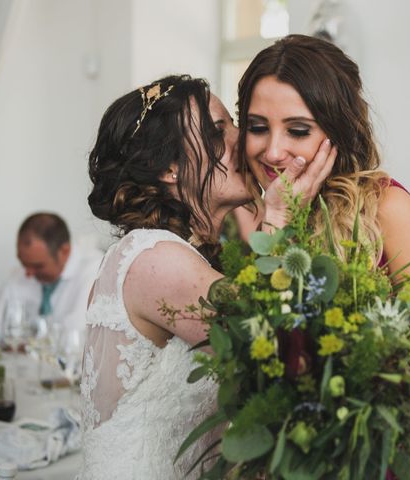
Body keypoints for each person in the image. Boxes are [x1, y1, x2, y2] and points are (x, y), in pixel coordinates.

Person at [236, 34, 410, 478]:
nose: (272, 150)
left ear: (337, 131)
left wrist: (363, 445)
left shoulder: (388, 210)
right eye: (257, 127)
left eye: (298, 130)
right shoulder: (254, 217)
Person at [78, 74, 335, 479]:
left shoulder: (183, 255)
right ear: (169, 167)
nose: (244, 141)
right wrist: (280, 216)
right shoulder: (153, 257)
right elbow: (271, 350)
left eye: (235, 124)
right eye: (218, 132)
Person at [0, 213, 102, 342]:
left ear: (64, 251)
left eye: (38, 266)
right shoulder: (20, 274)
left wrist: (28, 345)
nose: (28, 273)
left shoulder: (94, 271)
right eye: (24, 263)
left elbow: (76, 335)